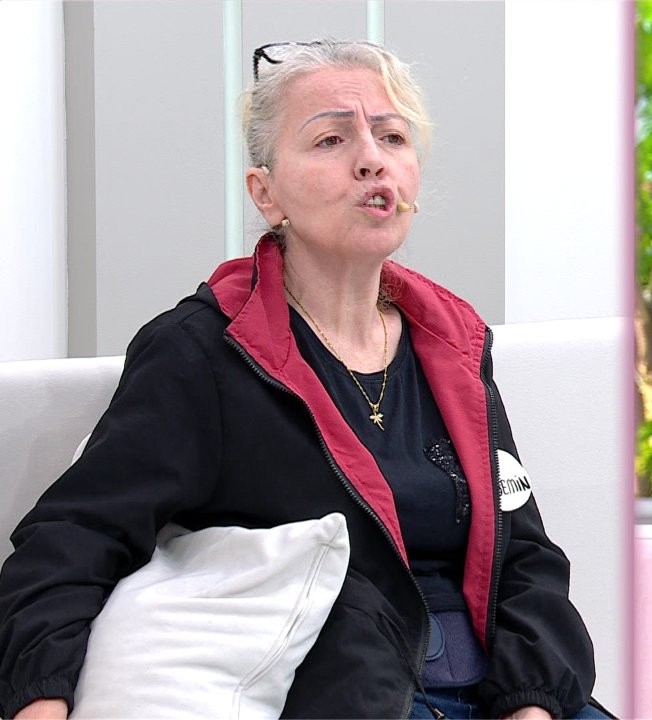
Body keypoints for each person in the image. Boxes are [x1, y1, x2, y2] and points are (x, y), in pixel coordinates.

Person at [0, 40, 602, 720]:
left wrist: (531, 704)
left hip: (505, 695)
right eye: (330, 140)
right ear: (266, 192)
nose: (371, 159)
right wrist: (39, 701)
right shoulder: (201, 353)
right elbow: (74, 539)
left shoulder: (452, 342)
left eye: (392, 136)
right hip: (353, 696)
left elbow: (524, 556)